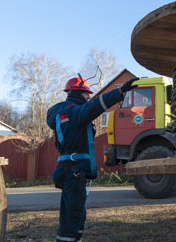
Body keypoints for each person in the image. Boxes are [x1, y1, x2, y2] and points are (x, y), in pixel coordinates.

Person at [47, 76, 138, 242]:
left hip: (67, 169)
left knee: (71, 213)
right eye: (87, 94)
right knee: (74, 216)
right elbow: (96, 105)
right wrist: (120, 92)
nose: (89, 97)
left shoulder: (61, 113)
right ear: (79, 93)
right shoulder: (75, 113)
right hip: (74, 171)